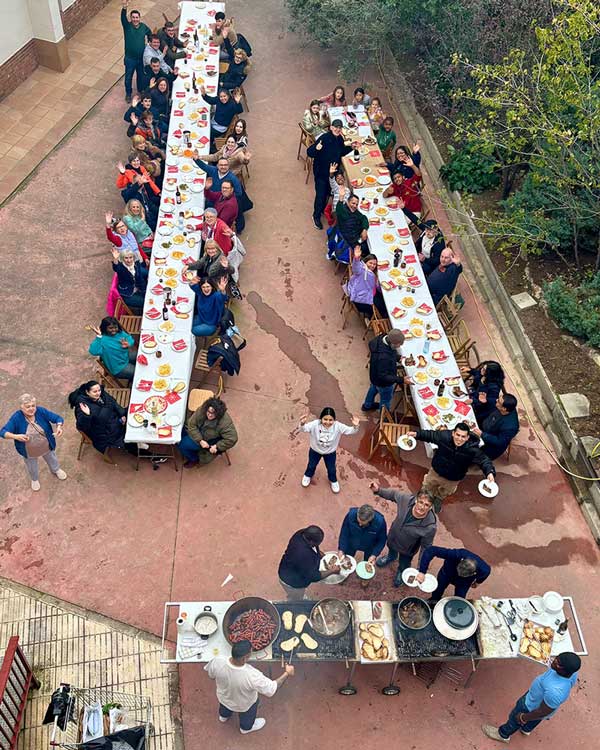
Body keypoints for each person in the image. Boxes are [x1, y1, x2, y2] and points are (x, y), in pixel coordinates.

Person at [482, 652, 581, 743]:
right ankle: (526, 729)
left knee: (515, 719)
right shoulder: (571, 672)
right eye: (557, 658)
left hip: (530, 706)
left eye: (558, 663)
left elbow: (543, 711)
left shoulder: (555, 692)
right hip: (537, 700)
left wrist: (523, 717)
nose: (554, 661)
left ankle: (503, 734)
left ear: (564, 670)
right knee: (536, 719)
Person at [205, 640, 294, 735]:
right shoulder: (252, 675)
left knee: (225, 706)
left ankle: (223, 716)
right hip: (244, 705)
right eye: (250, 654)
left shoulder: (218, 660)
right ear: (244, 658)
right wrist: (287, 673)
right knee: (247, 715)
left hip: (223, 697)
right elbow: (272, 688)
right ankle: (245, 728)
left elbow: (211, 675)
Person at [406, 423, 497, 505]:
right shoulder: (444, 436)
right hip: (436, 471)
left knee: (445, 491)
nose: (459, 439)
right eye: (457, 435)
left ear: (467, 437)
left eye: (463, 436)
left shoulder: (472, 449)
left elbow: (484, 460)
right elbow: (430, 435)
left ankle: (438, 499)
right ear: (453, 433)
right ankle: (423, 498)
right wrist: (417, 434)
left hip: (453, 478)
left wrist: (490, 472)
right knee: (427, 486)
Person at [371, 484, 437, 587]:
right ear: (416, 500)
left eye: (426, 505)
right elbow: (393, 494)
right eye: (420, 502)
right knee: (391, 550)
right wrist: (378, 490)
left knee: (404, 562)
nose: (422, 507)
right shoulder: (406, 500)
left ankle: (401, 570)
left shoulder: (430, 526)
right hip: (393, 538)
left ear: (430, 507)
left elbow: (426, 548)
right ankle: (391, 557)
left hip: (407, 549)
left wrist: (421, 570)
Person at [1, 394, 67, 492]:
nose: (31, 409)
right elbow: (3, 432)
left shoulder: (40, 411)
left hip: (46, 445)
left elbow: (57, 418)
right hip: (29, 451)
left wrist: (59, 427)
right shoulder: (16, 417)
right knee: (32, 466)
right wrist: (16, 436)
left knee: (52, 458)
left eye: (33, 406)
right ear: (21, 407)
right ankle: (34, 479)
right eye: (28, 407)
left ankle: (56, 469)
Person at [68, 381, 139, 455]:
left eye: (99, 390)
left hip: (114, 419)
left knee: (133, 412)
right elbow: (83, 427)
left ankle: (138, 441)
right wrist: (87, 415)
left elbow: (113, 402)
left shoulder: (101, 394)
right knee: (128, 439)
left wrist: (122, 414)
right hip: (105, 433)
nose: (98, 393)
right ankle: (144, 453)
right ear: (87, 392)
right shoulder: (82, 407)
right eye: (95, 391)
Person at [299, 408, 360, 493]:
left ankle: (333, 480)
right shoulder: (315, 424)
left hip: (330, 453)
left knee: (331, 469)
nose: (328, 422)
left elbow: (351, 431)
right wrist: (302, 423)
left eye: (331, 420)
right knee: (311, 465)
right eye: (325, 419)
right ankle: (308, 475)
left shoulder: (338, 426)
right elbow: (303, 429)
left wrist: (355, 426)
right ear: (321, 419)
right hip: (315, 451)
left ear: (334, 420)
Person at [307, 119, 353, 229]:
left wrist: (351, 147)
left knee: (328, 193)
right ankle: (316, 216)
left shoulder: (340, 139)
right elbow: (309, 152)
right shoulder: (324, 138)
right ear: (331, 127)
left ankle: (322, 208)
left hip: (333, 173)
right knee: (320, 195)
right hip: (321, 173)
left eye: (339, 128)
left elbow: (341, 151)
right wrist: (316, 149)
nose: (337, 129)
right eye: (335, 127)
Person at [278, 526, 341, 600]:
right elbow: (314, 576)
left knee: (299, 593)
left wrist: (323, 556)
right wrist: (332, 571)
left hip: (289, 568)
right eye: (318, 543)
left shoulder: (301, 534)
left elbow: (314, 548)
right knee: (297, 597)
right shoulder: (303, 555)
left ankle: (298, 596)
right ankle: (297, 599)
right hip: (291, 581)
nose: (318, 545)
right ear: (311, 542)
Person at [179, 397, 238, 468]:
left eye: (213, 414)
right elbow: (191, 424)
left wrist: (217, 446)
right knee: (179, 431)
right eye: (208, 412)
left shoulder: (225, 423)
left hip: (209, 440)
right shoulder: (203, 409)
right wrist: (200, 440)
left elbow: (232, 439)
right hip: (199, 434)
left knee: (182, 445)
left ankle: (194, 459)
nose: (210, 415)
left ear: (219, 414)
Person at [416, 546, 491, 602]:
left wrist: (477, 582)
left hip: (464, 582)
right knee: (438, 590)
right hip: (447, 573)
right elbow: (431, 550)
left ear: (474, 573)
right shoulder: (456, 554)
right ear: (461, 561)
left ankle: (454, 610)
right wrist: (422, 572)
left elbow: (484, 575)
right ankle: (434, 600)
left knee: (459, 599)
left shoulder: (484, 570)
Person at [361, 330, 411, 413]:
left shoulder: (381, 338)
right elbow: (383, 376)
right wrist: (401, 379)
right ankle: (384, 415)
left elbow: (389, 352)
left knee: (373, 389)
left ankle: (367, 405)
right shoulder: (384, 358)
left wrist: (398, 358)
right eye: (399, 344)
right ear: (393, 343)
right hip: (383, 383)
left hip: (374, 376)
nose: (399, 346)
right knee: (385, 400)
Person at [471, 393, 519, 461]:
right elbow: (493, 401)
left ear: (504, 409)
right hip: (484, 427)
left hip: (489, 446)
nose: (496, 400)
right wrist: (486, 400)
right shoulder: (505, 407)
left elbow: (499, 441)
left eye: (498, 401)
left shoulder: (510, 427)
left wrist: (482, 434)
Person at [88, 316, 137, 380]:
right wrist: (99, 337)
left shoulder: (120, 333)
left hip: (125, 356)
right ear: (105, 328)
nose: (114, 330)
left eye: (115, 327)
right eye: (110, 328)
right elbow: (93, 351)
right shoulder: (101, 340)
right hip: (118, 367)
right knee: (138, 373)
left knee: (142, 356)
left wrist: (129, 343)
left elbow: (129, 338)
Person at [120, 1, 150, 103]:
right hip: (130, 58)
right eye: (133, 17)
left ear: (139, 18)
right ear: (131, 18)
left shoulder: (143, 27)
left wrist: (150, 45)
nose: (135, 19)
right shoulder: (127, 27)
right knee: (128, 77)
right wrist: (124, 8)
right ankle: (128, 94)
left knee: (141, 76)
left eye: (137, 17)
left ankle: (140, 91)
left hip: (141, 58)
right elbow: (123, 18)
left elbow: (150, 34)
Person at [345, 246, 387, 319]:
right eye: (370, 263)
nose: (372, 265)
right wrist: (356, 258)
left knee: (383, 299)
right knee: (383, 306)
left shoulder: (373, 273)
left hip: (369, 293)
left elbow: (377, 286)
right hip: (360, 300)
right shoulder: (361, 270)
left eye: (374, 264)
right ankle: (373, 317)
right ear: (365, 262)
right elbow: (356, 268)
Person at [335, 186, 369, 253]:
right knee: (367, 249)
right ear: (348, 202)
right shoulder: (343, 212)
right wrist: (341, 197)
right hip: (348, 241)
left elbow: (364, 218)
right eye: (353, 203)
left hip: (357, 236)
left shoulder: (355, 212)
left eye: (356, 204)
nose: (355, 206)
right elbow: (339, 209)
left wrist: (364, 230)